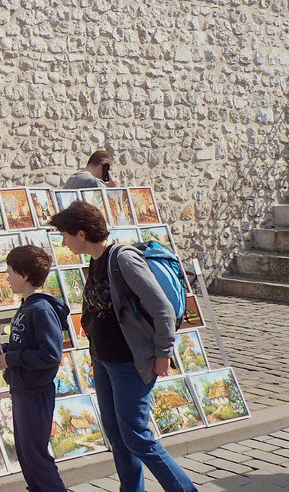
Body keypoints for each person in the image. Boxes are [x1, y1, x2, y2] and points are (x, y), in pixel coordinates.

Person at [49, 201, 198, 492]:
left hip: (130, 362)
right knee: (117, 435)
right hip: (104, 361)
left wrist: (163, 354)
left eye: (64, 235)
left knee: (137, 436)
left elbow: (163, 309)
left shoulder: (123, 259)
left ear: (80, 233)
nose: (63, 242)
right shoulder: (95, 260)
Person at [0, 245, 69, 492]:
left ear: (24, 275)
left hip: (35, 391)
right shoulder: (28, 306)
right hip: (22, 387)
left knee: (36, 456)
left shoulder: (41, 309)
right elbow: (26, 344)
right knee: (26, 453)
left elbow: (50, 354)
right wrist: (4, 354)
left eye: (10, 272)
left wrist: (13, 359)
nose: (7, 278)